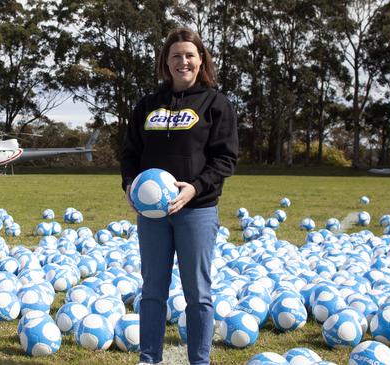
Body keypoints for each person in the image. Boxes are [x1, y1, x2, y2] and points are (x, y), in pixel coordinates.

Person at [120, 27, 238, 365]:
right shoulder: (147, 105)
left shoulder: (216, 104)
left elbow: (225, 158)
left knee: (197, 293)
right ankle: (149, 359)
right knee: (152, 290)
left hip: (196, 210)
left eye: (189, 55)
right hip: (153, 216)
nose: (182, 61)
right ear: (165, 62)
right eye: (176, 56)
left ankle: (199, 361)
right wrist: (130, 184)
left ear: (201, 61)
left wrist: (195, 188)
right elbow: (130, 152)